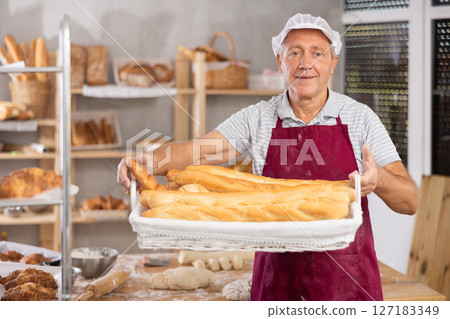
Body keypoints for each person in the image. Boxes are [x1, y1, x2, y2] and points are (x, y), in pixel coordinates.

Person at [118, 13, 419, 301]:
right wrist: (146, 161)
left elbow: (410, 201)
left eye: (317, 53)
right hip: (277, 282)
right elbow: (195, 151)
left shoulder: (359, 119)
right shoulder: (258, 118)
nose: (306, 64)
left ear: (332, 62)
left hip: (347, 282)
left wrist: (378, 178)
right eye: (294, 53)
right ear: (280, 61)